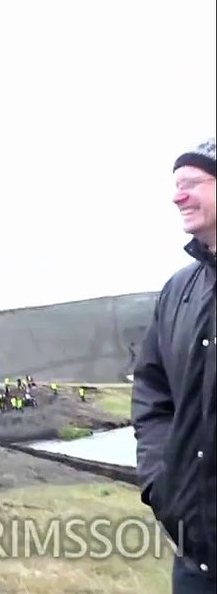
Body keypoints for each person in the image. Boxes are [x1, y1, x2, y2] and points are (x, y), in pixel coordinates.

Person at [133, 136, 217, 591]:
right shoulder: (177, 292)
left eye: (191, 182)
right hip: (198, 557)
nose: (176, 196)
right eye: (174, 185)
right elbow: (153, 395)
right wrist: (161, 485)